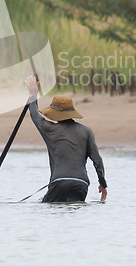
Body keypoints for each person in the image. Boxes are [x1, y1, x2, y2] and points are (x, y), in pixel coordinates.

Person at [25, 75, 108, 203]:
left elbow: (35, 114)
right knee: (75, 209)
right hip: (81, 184)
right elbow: (97, 161)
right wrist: (103, 184)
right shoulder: (87, 132)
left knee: (46, 206)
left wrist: (32, 95)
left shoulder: (50, 129)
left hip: (59, 183)